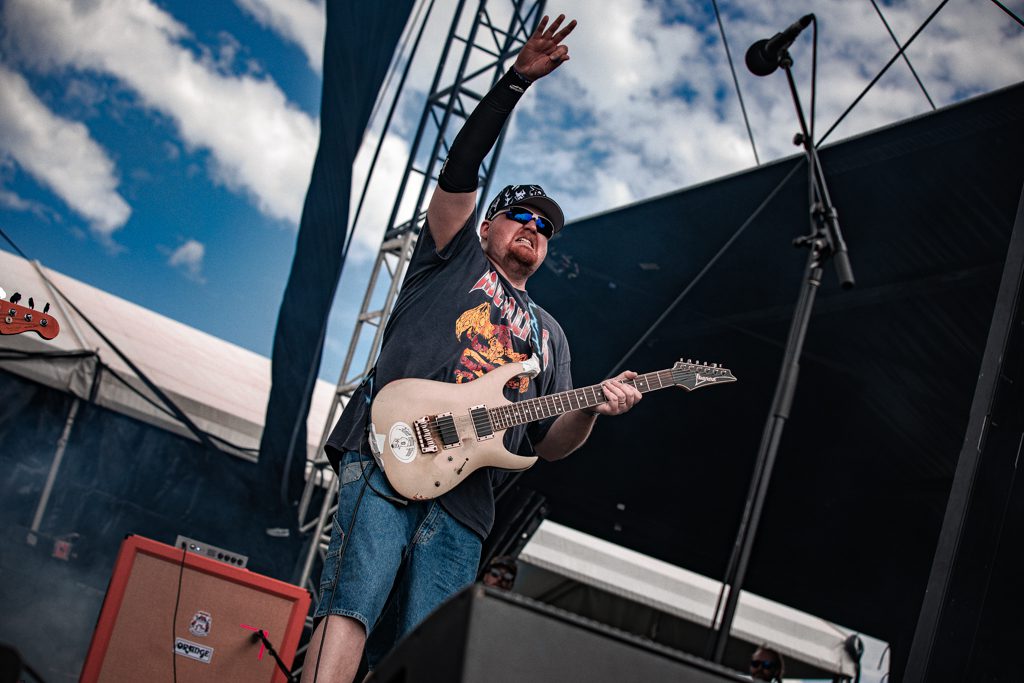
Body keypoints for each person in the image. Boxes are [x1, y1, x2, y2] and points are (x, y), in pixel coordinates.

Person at [300, 14, 642, 683]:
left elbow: (548, 443)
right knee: (351, 605)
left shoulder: (550, 335)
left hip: (467, 501)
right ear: (487, 226)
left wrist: (592, 408)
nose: (535, 229)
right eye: (523, 216)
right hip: (392, 447)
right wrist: (514, 82)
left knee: (432, 648)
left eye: (547, 228)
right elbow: (461, 166)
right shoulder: (451, 257)